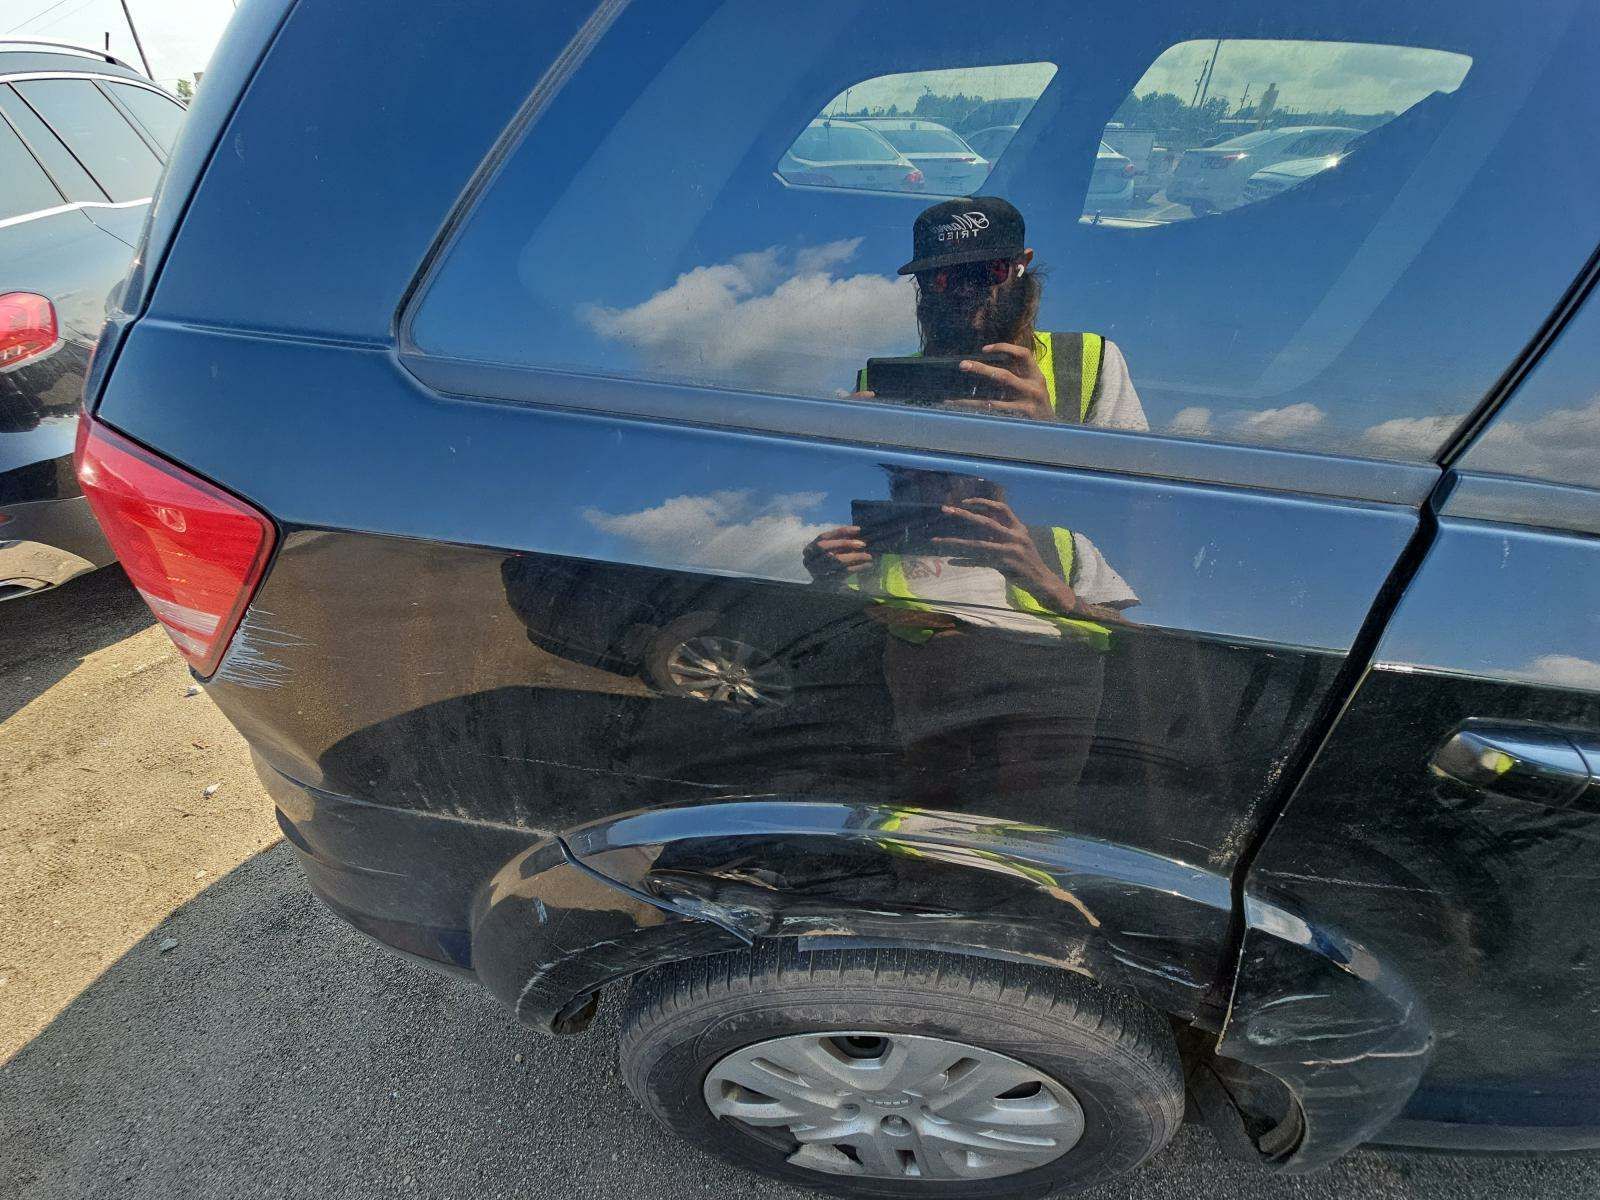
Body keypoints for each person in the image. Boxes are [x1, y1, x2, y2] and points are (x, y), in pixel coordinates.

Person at [854, 196, 1146, 430]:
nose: (965, 289)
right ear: (921, 284)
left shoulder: (1087, 362)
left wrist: (1049, 431)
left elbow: (1138, 497)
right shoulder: (880, 385)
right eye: (942, 278)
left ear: (1022, 265)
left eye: (986, 271)